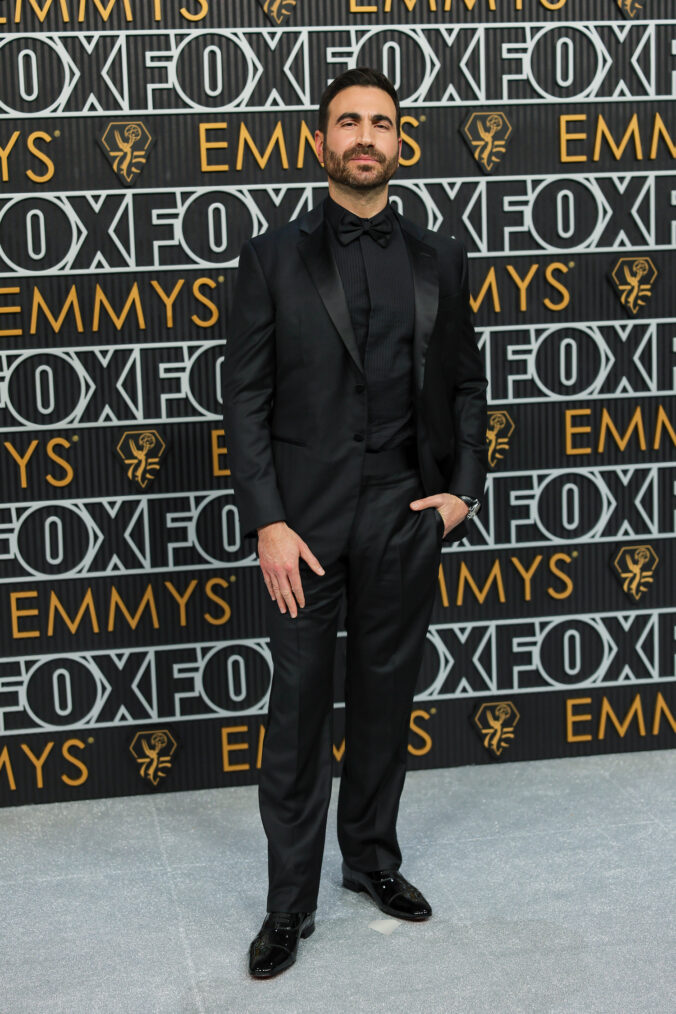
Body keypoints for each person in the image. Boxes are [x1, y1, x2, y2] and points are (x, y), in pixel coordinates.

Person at [222, 67, 487, 979]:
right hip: (303, 525)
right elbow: (245, 401)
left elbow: (466, 383)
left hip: (404, 516)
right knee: (297, 715)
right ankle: (288, 903)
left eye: (381, 122)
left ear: (400, 142)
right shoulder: (270, 257)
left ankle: (371, 861)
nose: (364, 135)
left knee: (385, 703)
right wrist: (267, 522)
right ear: (320, 141)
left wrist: (462, 492)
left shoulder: (441, 256)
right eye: (348, 122)